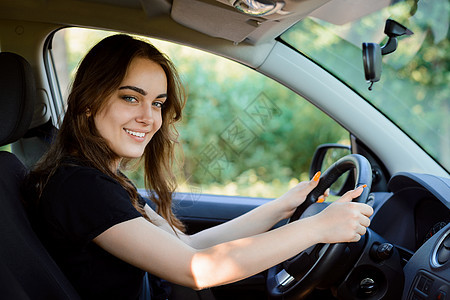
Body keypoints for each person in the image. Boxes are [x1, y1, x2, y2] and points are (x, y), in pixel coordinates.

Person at [25, 34, 373, 299]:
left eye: (158, 103)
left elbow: (188, 246)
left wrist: (284, 206)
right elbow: (195, 269)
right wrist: (315, 229)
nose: (148, 117)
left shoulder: (98, 178)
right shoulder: (80, 187)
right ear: (88, 102)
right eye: (130, 97)